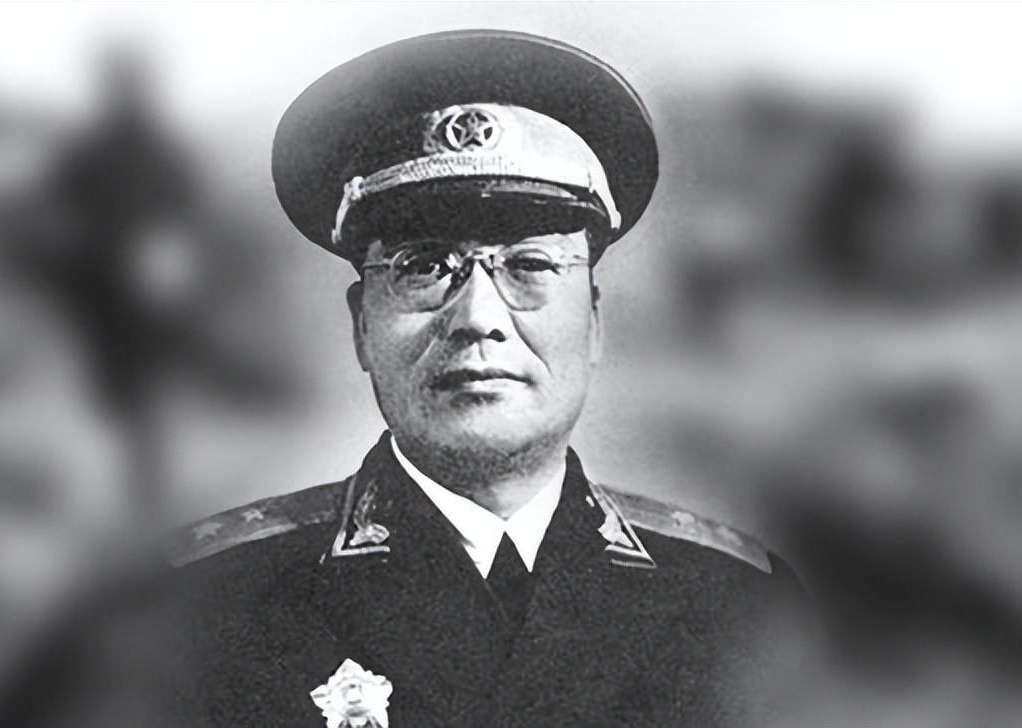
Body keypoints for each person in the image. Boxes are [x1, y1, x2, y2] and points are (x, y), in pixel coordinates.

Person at [171, 30, 805, 728]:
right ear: (361, 325)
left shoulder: (740, 608)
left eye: (529, 266)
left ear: (594, 320)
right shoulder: (201, 609)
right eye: (423, 266)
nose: (478, 318)